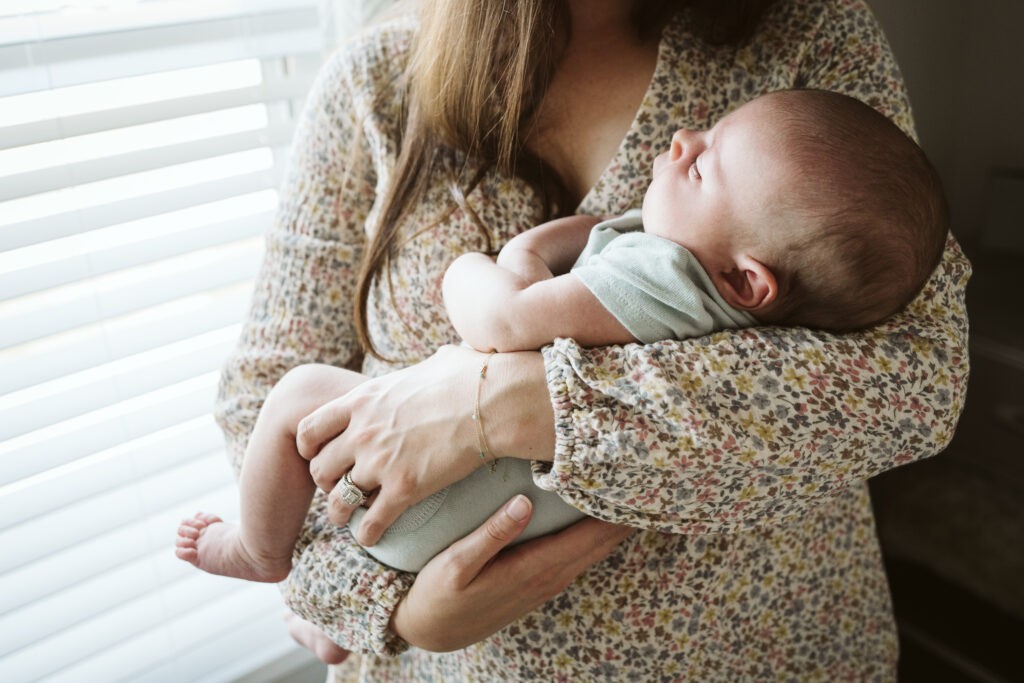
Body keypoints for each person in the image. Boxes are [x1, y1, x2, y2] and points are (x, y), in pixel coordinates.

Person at [214, 0, 972, 679]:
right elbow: (262, 394)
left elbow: (915, 380)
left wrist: (508, 402)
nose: (681, 146)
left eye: (704, 159)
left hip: (765, 651)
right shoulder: (374, 81)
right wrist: (394, 610)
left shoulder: (806, 37)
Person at [178, 87, 947, 579]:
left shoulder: (667, 278)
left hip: (430, 513)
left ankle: (258, 548)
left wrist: (472, 267)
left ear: (750, 282)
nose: (682, 140)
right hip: (466, 533)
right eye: (706, 131)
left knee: (301, 394)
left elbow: (501, 320)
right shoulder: (701, 290)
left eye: (705, 165)